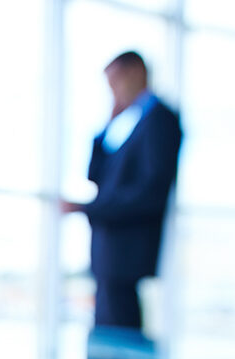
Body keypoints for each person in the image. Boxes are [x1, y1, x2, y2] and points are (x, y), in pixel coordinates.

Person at [59, 50, 182, 333]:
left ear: (136, 73)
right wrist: (107, 124)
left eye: (114, 82)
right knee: (108, 327)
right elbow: (95, 176)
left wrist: (86, 208)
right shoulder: (135, 122)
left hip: (127, 251)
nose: (112, 91)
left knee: (119, 333)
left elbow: (150, 192)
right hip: (112, 252)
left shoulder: (160, 120)